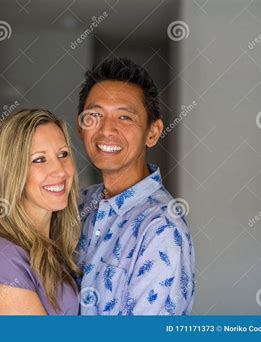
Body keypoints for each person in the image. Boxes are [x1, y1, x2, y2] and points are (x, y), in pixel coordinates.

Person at [76, 57, 195, 315]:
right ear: (80, 127)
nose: (107, 129)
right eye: (94, 115)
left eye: (125, 117)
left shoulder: (162, 228)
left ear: (152, 133)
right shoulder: (76, 204)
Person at [0, 109, 82, 315]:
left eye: (63, 154)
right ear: (13, 172)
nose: (60, 170)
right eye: (39, 160)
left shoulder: (51, 249)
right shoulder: (2, 256)